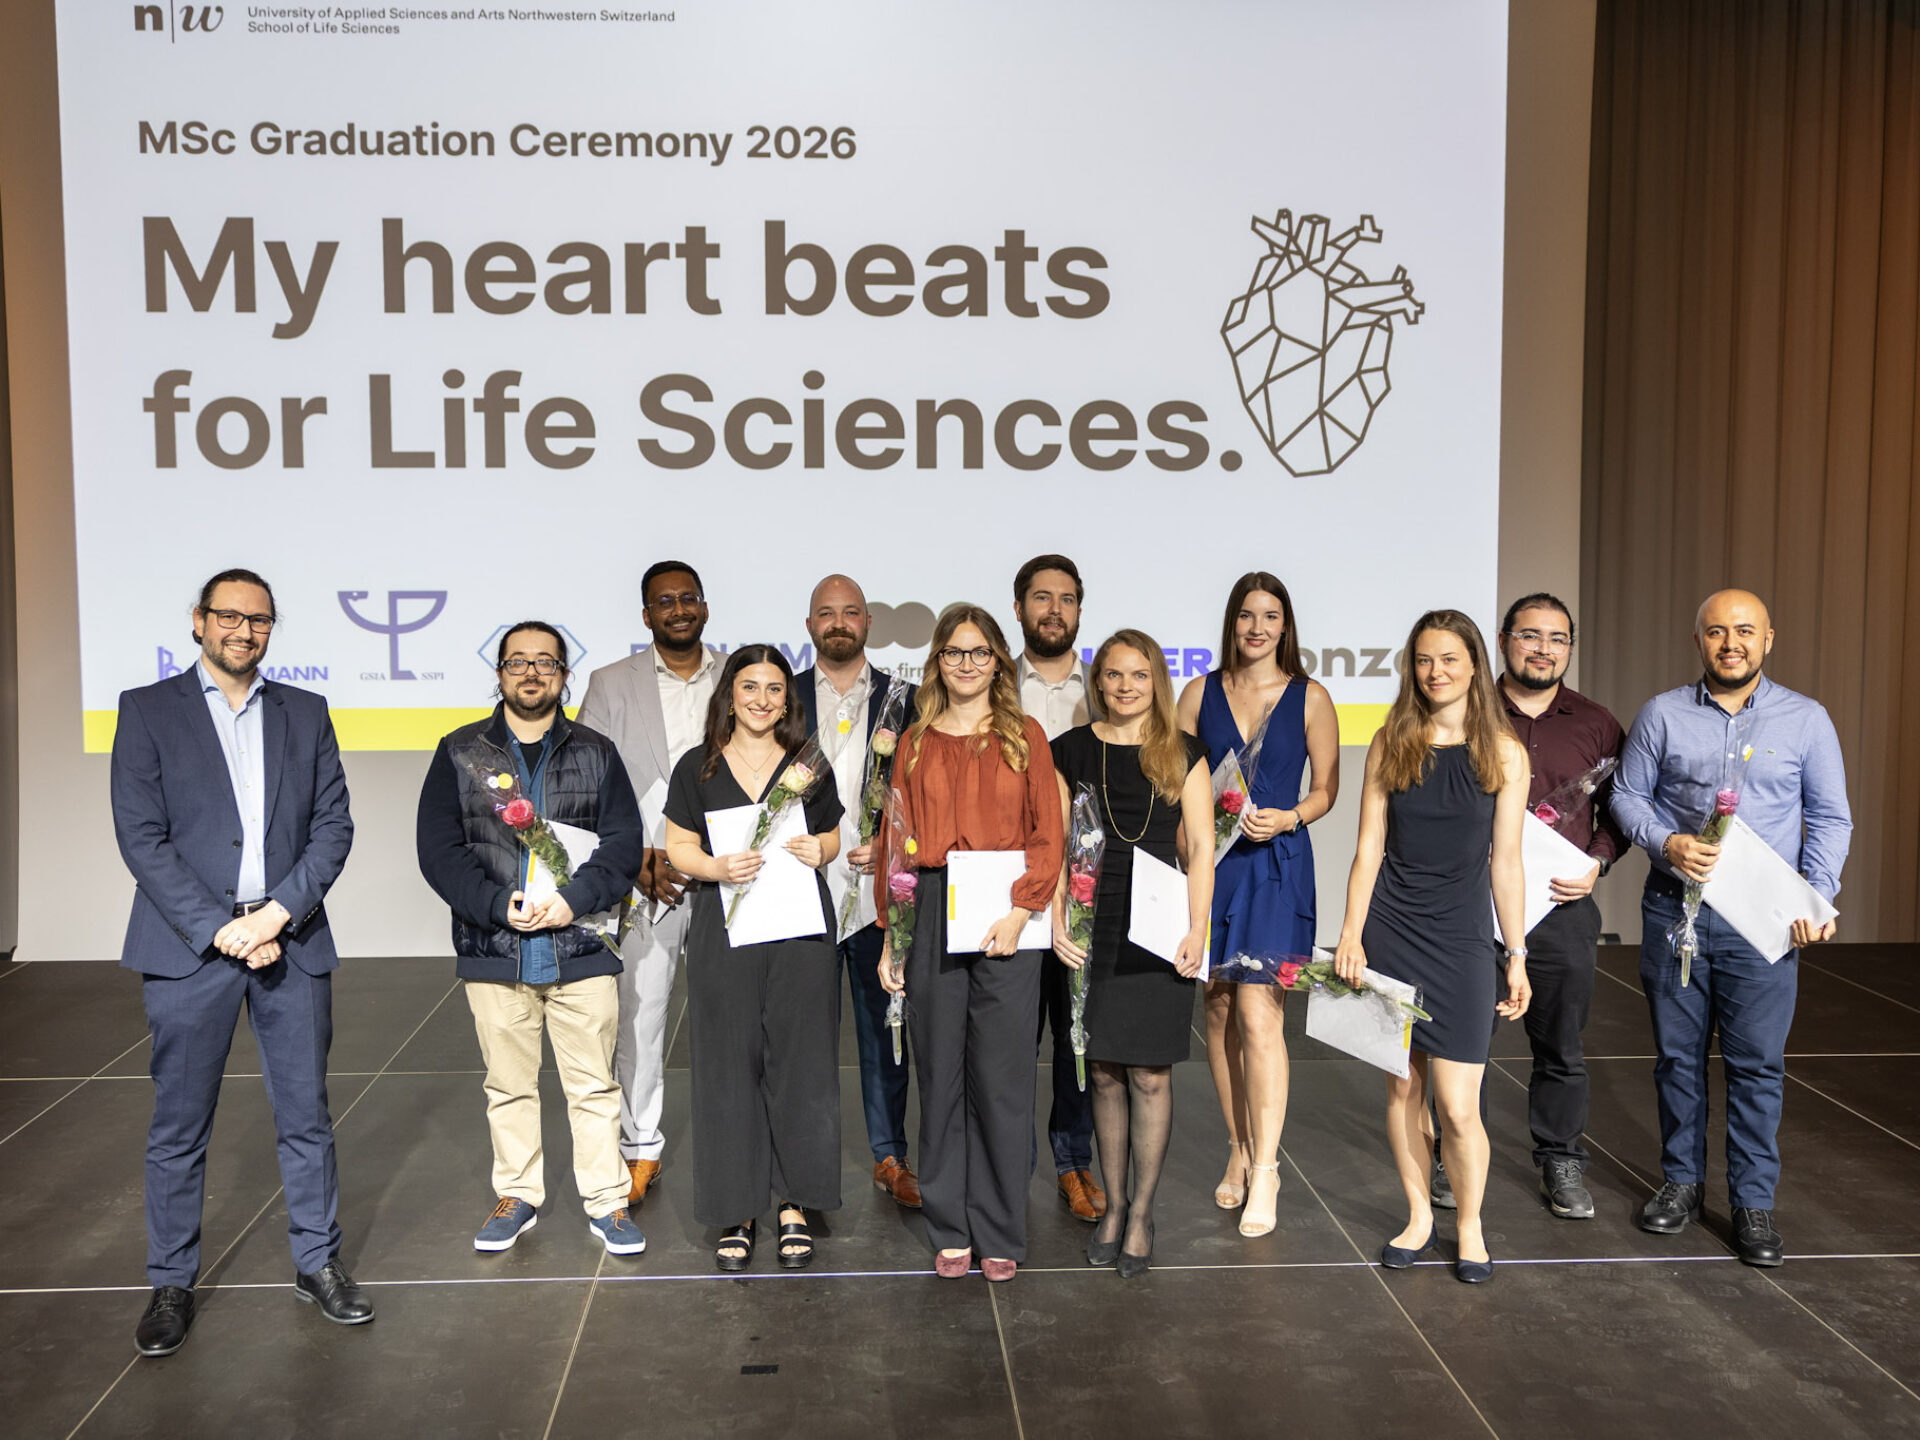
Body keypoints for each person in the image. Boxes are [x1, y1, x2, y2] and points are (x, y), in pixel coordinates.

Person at [111, 568, 368, 1357]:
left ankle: (317, 1263)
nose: (243, 631)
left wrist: (276, 914)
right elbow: (141, 837)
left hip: (291, 938)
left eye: (258, 620)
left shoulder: (305, 712)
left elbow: (333, 827)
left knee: (306, 1117)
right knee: (180, 1125)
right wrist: (221, 929)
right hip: (190, 949)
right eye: (228, 616)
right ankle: (171, 1282)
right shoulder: (147, 710)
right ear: (198, 621)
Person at [1611, 589, 1850, 1267]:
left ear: (1768, 639)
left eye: (1744, 631)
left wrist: (1816, 897)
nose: (1730, 643)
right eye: (1716, 632)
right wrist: (1667, 842)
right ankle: (1682, 1183)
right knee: (1678, 1059)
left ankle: (1752, 1202)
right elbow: (1626, 796)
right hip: (1675, 911)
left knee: (1757, 1066)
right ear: (1699, 641)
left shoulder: (1807, 719)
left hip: (1763, 921)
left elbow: (1829, 817)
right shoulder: (1662, 714)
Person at [416, 623, 650, 1259]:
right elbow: (439, 850)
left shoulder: (597, 752)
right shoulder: (460, 751)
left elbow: (623, 845)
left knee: (594, 1086)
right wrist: (497, 905)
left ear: (564, 675)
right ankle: (518, 1195)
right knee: (508, 1086)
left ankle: (607, 1200)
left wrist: (575, 899)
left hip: (581, 948)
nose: (530, 672)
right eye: (517, 661)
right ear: (499, 673)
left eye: (545, 662)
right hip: (497, 948)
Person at [1334, 610, 1530, 1284]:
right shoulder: (1391, 741)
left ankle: (1469, 1225)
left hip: (1463, 941)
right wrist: (1351, 933)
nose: (1435, 671)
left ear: (1474, 665)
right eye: (1423, 659)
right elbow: (1368, 849)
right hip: (1392, 933)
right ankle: (1419, 1216)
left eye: (1448, 659)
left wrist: (1516, 954)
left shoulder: (1504, 753)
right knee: (1402, 1091)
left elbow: (1507, 862)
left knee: (1459, 1105)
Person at [877, 604, 1065, 1282]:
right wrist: (892, 938)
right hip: (930, 910)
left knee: (1003, 1078)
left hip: (1005, 914)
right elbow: (895, 842)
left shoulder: (1026, 736)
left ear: (997, 663)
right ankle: (951, 1225)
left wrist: (1022, 911)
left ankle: (999, 1228)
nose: (966, 664)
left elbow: (1048, 833)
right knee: (940, 1075)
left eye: (979, 652)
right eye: (954, 652)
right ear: (937, 662)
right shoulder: (914, 742)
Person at [662, 646, 845, 1271]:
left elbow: (832, 833)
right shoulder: (698, 766)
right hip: (725, 930)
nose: (762, 700)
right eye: (750, 687)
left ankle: (794, 1202)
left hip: (800, 932)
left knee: (801, 1065)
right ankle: (737, 1208)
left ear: (787, 700)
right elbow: (678, 845)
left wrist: (821, 851)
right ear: (729, 695)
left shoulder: (808, 763)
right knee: (727, 1066)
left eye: (774, 689)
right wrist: (715, 868)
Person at [1176, 572, 1339, 1239]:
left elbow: (1327, 789)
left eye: (1270, 616)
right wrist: (1188, 846)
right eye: (1247, 615)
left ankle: (1267, 1169)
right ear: (1232, 622)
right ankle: (1238, 1147)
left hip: (1276, 867)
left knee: (1258, 1013)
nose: (1258, 628)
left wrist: (1291, 816)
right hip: (1214, 870)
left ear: (1285, 625)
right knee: (1218, 1014)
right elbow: (1175, 783)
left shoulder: (1310, 697)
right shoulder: (1197, 694)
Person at [1050, 631, 1214, 1279]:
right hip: (1092, 925)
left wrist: (1198, 929)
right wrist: (1059, 919)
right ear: (1099, 683)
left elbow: (1202, 848)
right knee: (1104, 1073)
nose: (1125, 686)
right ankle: (1113, 1208)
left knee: (1149, 1074)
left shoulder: (1185, 752)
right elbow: (1058, 846)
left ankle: (1142, 1213)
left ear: (1156, 683)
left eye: (1138, 675)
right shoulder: (1070, 750)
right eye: (1114, 675)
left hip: (1159, 926)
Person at [577, 561, 723, 1206]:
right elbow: (588, 778)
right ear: (646, 616)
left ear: (705, 607)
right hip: (648, 877)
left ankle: (736, 1145)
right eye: (665, 601)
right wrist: (632, 855)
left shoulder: (738, 675)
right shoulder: (610, 683)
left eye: (689, 598)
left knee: (731, 1020)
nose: (679, 609)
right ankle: (640, 1148)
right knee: (641, 1016)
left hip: (728, 875)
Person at [1487, 593, 1626, 1219]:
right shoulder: (1468, 713)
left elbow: (1622, 811)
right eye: (1529, 635)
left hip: (1560, 907)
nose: (1543, 649)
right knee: (1462, 1041)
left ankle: (1560, 1159)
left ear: (1569, 647)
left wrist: (1596, 861)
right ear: (1504, 641)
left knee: (1561, 1045)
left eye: (1557, 638)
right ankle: (1448, 1156)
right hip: (1476, 907)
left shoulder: (1597, 723)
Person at [793, 574, 922, 1210]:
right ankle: (802, 1165)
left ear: (869, 623)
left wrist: (896, 844)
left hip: (879, 897)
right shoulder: (780, 696)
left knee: (883, 1030)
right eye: (826, 613)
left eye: (850, 612)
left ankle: (889, 1155)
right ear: (809, 625)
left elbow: (928, 793)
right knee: (803, 1038)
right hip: (799, 892)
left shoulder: (910, 700)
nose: (838, 622)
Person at [1011, 553, 1105, 1223]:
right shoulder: (990, 684)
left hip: (1082, 887)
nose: (1054, 610)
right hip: (1010, 885)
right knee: (1012, 1038)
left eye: (1066, 599)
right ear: (1019, 608)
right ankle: (1008, 1164)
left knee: (1077, 1032)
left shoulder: (1103, 687)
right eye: (1041, 598)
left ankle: (1073, 1161)